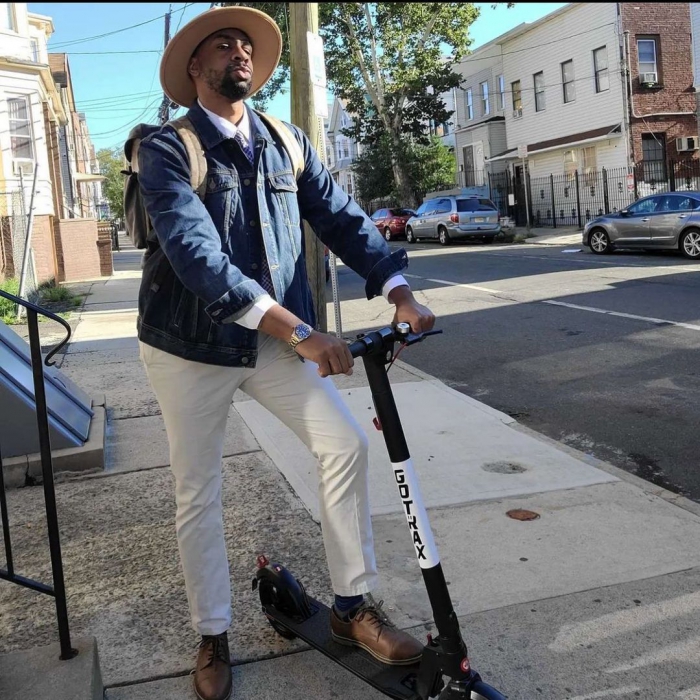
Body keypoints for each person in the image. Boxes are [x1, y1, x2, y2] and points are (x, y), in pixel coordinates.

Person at [136, 7, 435, 700]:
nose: (239, 51)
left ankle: (351, 607)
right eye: (223, 44)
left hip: (270, 341)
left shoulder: (285, 141)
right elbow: (197, 256)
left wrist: (398, 290)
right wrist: (302, 333)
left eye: (246, 44)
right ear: (195, 68)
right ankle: (212, 633)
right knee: (198, 489)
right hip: (189, 348)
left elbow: (340, 217)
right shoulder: (167, 149)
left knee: (344, 445)